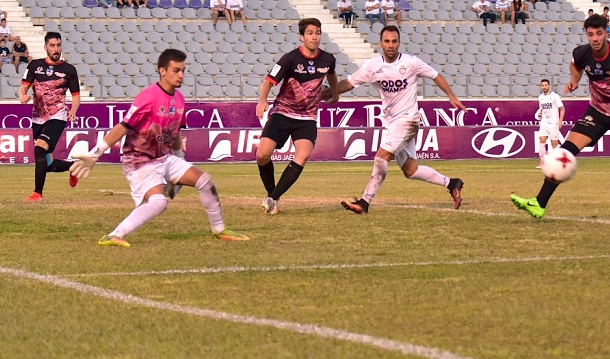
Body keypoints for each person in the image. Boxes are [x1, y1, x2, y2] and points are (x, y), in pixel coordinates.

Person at [70, 49, 249, 246]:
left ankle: (219, 229)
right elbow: (123, 126)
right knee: (159, 202)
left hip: (165, 158)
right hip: (139, 162)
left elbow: (176, 132)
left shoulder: (179, 98)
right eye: (176, 70)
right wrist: (96, 152)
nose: (181, 75)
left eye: (183, 71)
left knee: (205, 181)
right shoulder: (148, 97)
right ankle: (114, 235)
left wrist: (180, 159)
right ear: (162, 71)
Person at [510, 15, 610, 222]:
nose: (595, 38)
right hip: (598, 111)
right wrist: (574, 81)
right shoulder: (582, 53)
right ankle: (539, 203)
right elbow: (575, 65)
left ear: (606, 33)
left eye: (599, 33)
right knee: (564, 152)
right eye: (590, 34)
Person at [328, 25, 465, 214]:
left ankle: (364, 202)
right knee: (411, 171)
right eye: (387, 41)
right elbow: (350, 83)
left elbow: (435, 75)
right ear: (380, 43)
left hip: (408, 120)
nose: (391, 45)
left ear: (399, 43)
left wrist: (450, 95)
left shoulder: (411, 63)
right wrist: (327, 93)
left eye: (394, 41)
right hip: (392, 123)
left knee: (381, 157)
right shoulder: (373, 66)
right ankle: (452, 183)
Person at [254, 18, 338, 215]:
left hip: (307, 117)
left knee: (304, 154)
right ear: (302, 36)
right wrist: (262, 100)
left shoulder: (328, 59)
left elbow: (332, 75)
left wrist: (335, 94)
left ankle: (273, 198)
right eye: (310, 33)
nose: (314, 36)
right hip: (282, 112)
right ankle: (271, 193)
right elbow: (268, 81)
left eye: (317, 32)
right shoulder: (289, 59)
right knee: (262, 155)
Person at [19, 32, 81, 202]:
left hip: (58, 115)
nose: (56, 49)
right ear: (45, 47)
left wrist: (73, 110)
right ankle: (74, 166)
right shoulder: (34, 65)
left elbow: (76, 96)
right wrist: (22, 96)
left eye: (58, 45)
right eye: (52, 45)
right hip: (37, 117)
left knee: (39, 148)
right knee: (47, 165)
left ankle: (37, 194)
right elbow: (24, 87)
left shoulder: (69, 70)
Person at [535, 79, 565, 158]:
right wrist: (540, 114)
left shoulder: (554, 96)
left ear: (549, 86)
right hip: (544, 122)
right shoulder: (540, 97)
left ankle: (562, 157)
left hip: (554, 123)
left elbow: (562, 109)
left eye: (546, 85)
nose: (544, 87)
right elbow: (541, 109)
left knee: (554, 144)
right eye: (543, 85)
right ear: (541, 87)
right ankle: (543, 162)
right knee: (542, 140)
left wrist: (560, 121)